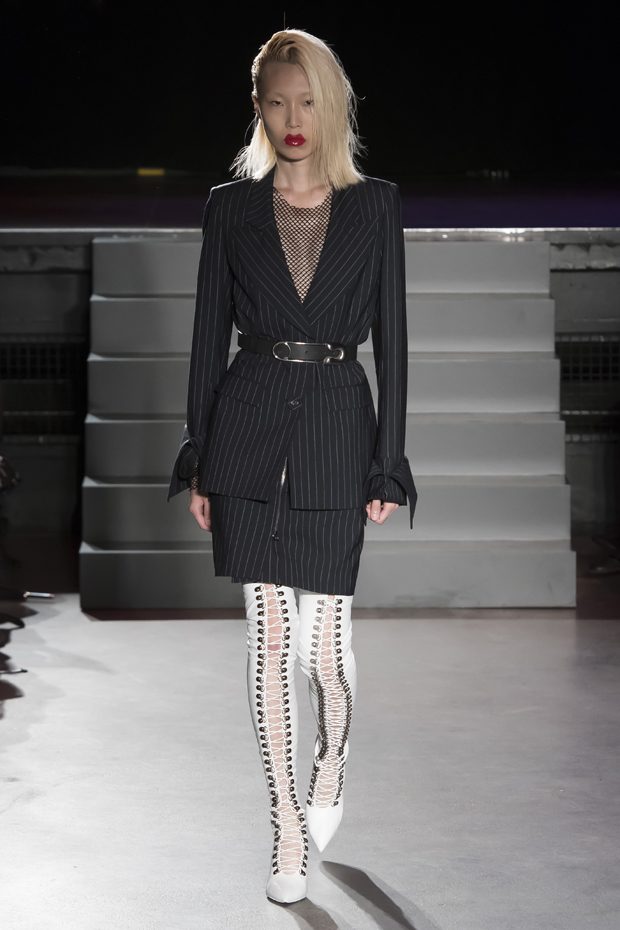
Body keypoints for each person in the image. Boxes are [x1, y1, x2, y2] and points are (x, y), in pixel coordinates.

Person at [167, 27, 417, 904]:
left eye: (307, 100)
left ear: (332, 104)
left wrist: (388, 463)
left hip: (338, 430)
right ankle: (283, 823)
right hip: (246, 427)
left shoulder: (375, 205)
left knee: (325, 650)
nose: (293, 117)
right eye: (277, 102)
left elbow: (394, 340)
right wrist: (200, 456)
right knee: (270, 637)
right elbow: (206, 339)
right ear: (259, 108)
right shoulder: (229, 208)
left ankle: (332, 760)